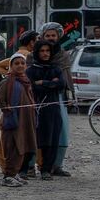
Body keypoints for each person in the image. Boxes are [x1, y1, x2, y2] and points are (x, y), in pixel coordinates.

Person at [26, 40, 65, 181]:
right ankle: (27, 168)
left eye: (47, 51)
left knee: (52, 139)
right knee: (34, 139)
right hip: (36, 109)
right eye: (42, 51)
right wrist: (51, 83)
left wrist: (42, 82)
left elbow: (61, 84)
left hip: (53, 109)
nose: (45, 53)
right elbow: (32, 87)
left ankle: (46, 169)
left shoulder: (56, 69)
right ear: (37, 52)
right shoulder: (31, 70)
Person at [0, 53, 37, 187]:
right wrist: (8, 110)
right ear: (11, 66)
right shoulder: (7, 81)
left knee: (23, 146)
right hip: (13, 121)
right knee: (13, 146)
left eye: (22, 63)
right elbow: (0, 100)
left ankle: (15, 174)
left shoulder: (25, 80)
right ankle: (8, 175)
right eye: (16, 63)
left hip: (25, 121)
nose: (20, 66)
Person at [39, 22, 73, 177]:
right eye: (48, 35)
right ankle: (37, 166)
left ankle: (57, 165)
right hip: (41, 98)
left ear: (59, 36)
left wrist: (70, 94)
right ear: (43, 36)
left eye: (53, 35)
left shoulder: (64, 55)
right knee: (41, 132)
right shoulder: (37, 55)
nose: (51, 38)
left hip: (59, 97)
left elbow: (67, 78)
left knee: (62, 132)